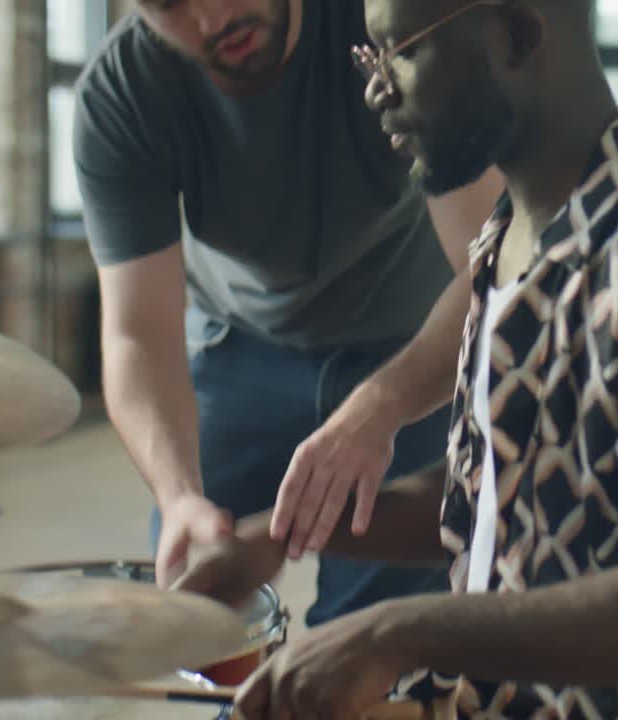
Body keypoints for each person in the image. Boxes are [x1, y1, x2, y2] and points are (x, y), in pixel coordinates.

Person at [172, 0, 618, 717]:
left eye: (398, 53)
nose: (377, 89)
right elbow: (501, 495)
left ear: (516, 33)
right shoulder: (507, 239)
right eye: (366, 59)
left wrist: (392, 633)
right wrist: (275, 537)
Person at [71, 0, 504, 628]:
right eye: (168, 6)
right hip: (239, 348)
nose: (214, 19)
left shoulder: (388, 28)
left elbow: (487, 267)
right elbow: (138, 333)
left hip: (409, 342)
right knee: (198, 614)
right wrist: (180, 496)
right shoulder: (122, 95)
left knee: (377, 637)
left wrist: (380, 404)